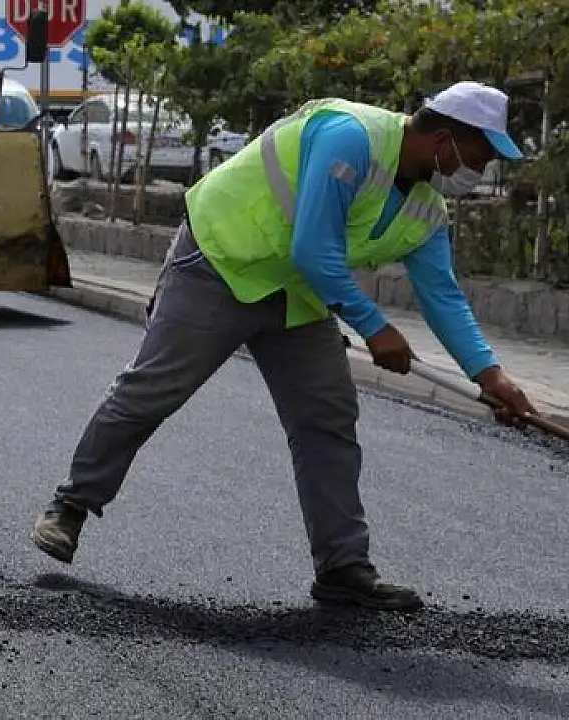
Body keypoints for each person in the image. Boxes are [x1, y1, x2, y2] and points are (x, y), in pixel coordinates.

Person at [30, 81, 538, 612]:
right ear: (445, 139)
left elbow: (443, 297)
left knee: (327, 417)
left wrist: (490, 376)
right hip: (222, 261)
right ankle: (72, 505)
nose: (478, 171)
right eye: (479, 157)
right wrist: (374, 327)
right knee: (152, 390)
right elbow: (314, 248)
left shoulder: (428, 209)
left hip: (298, 293)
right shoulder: (352, 137)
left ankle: (343, 566)